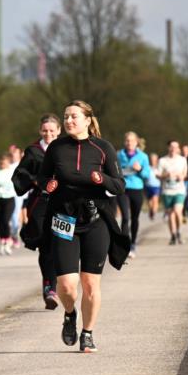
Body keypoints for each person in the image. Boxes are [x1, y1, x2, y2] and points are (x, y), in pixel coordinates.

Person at [38, 101, 129, 353]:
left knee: (90, 284)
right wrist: (47, 185)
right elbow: (42, 177)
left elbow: (120, 185)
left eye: (73, 116)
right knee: (67, 285)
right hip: (64, 221)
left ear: (87, 120)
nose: (68, 121)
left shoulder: (103, 148)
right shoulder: (56, 148)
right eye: (66, 116)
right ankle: (70, 313)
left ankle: (87, 334)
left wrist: (102, 179)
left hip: (95, 222)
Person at [13, 113, 61, 310]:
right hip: (40, 202)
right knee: (45, 244)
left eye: (52, 130)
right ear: (40, 131)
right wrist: (34, 180)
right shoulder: (33, 151)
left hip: (63, 202)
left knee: (60, 244)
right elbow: (20, 174)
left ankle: (61, 283)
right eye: (44, 130)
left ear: (59, 131)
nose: (48, 134)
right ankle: (50, 287)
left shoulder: (66, 148)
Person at [117, 131, 151, 257]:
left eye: (132, 141)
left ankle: (133, 244)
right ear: (124, 142)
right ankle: (124, 245)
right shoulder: (118, 155)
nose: (129, 143)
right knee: (125, 218)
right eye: (127, 140)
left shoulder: (143, 157)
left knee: (135, 218)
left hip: (137, 189)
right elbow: (113, 171)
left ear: (137, 142)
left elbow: (147, 175)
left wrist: (140, 169)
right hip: (123, 190)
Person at [158, 140, 188, 245]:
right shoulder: (162, 160)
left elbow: (185, 174)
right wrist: (166, 175)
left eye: (176, 147)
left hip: (179, 190)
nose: (173, 149)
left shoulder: (182, 160)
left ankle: (179, 231)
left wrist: (181, 176)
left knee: (177, 211)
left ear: (178, 148)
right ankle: (173, 235)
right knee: (170, 214)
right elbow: (158, 175)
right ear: (168, 148)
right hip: (167, 191)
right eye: (171, 146)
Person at [145, 152, 162, 221]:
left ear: (157, 160)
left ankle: (153, 213)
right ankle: (151, 210)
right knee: (149, 201)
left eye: (154, 159)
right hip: (148, 186)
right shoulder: (147, 167)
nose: (153, 161)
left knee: (155, 200)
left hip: (156, 186)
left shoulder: (159, 167)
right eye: (151, 159)